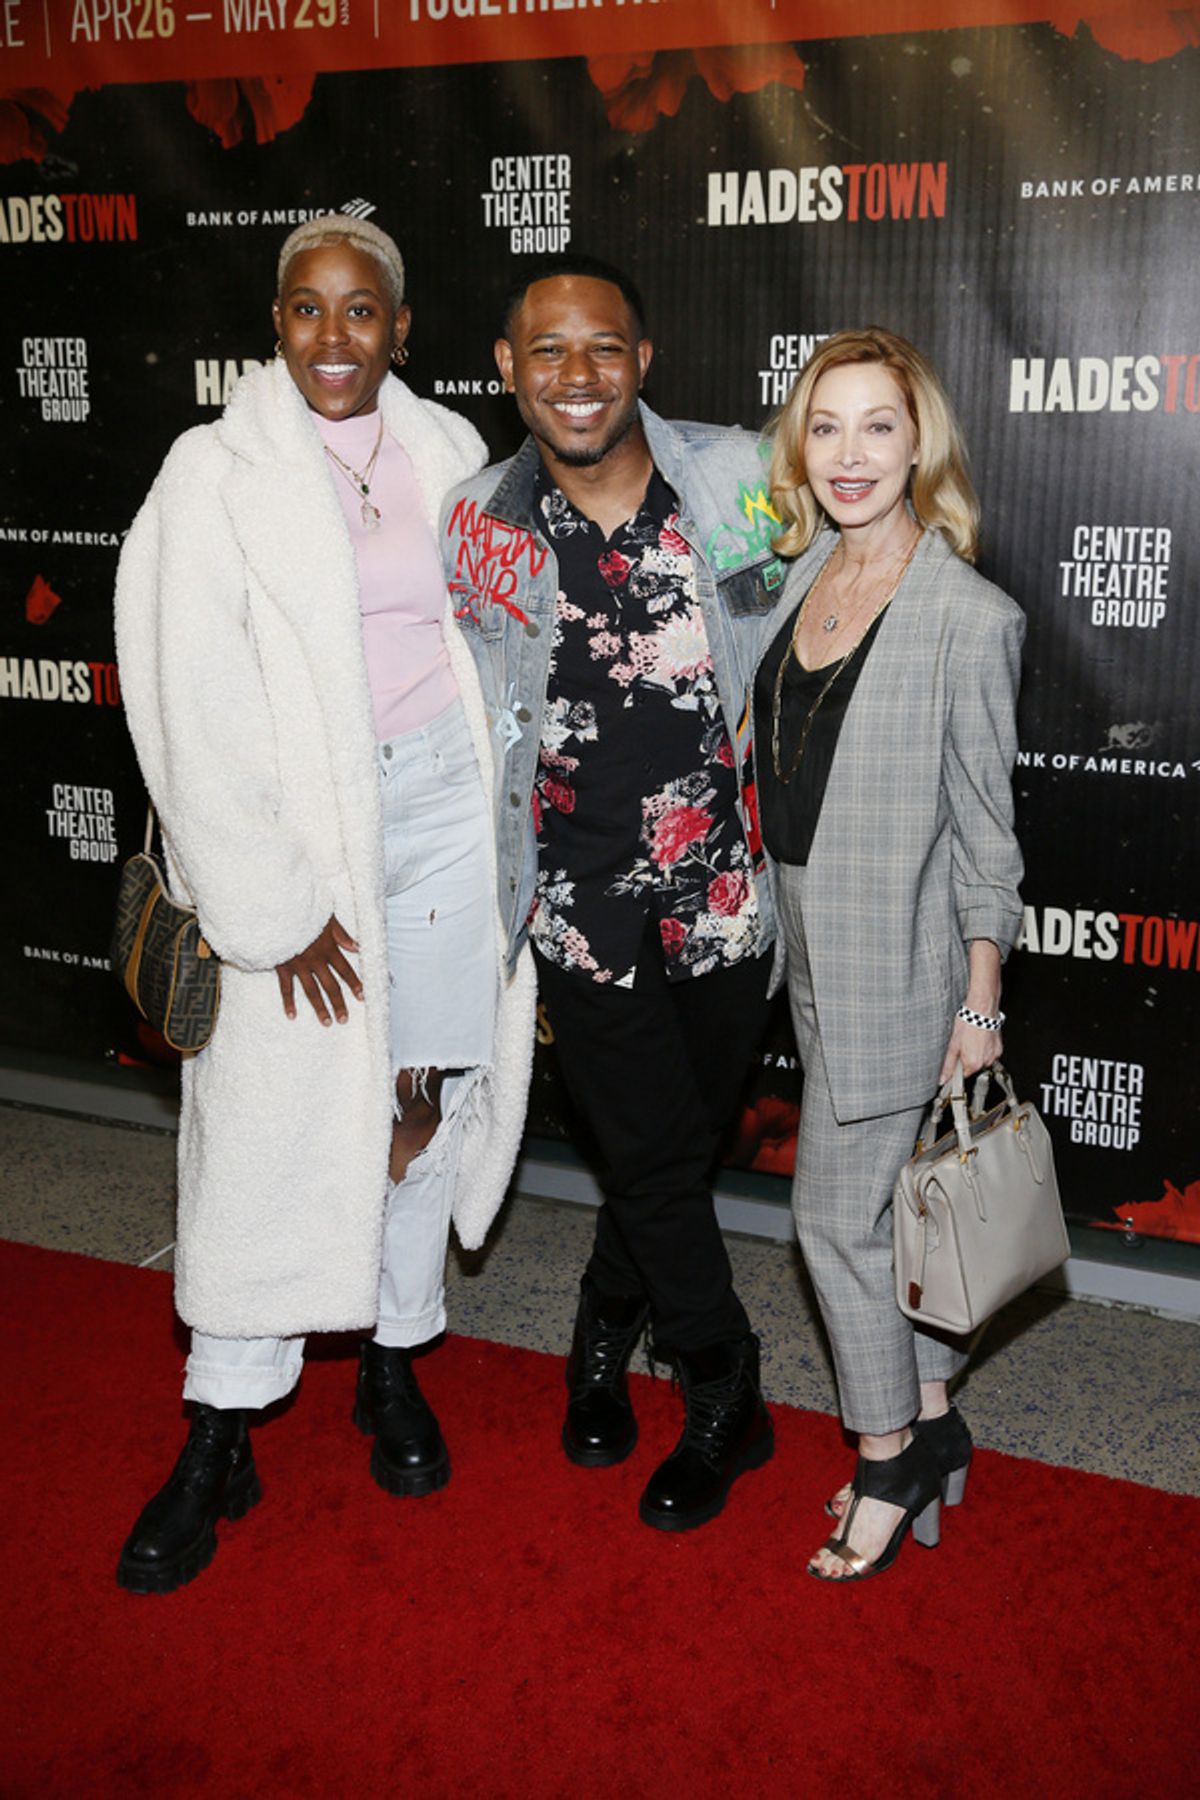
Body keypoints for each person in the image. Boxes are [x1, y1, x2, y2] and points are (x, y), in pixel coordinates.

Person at [113, 216, 535, 1594]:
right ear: (275, 321)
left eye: (363, 313)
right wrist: (270, 906)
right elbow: (188, 709)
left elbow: (501, 650)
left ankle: (395, 1360)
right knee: (269, 1129)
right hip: (297, 863)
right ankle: (219, 1425)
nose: (335, 337)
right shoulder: (211, 475)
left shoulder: (455, 457)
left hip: (444, 831)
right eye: (308, 310)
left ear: (401, 330)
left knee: (425, 1098)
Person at [441, 255, 778, 1533]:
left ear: (643, 361)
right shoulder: (477, 522)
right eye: (546, 351)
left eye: (602, 349)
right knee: (644, 1150)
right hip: (579, 907)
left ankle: (600, 1318)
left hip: (725, 898)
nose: (575, 376)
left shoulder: (740, 481)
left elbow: (817, 634)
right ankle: (723, 1379)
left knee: (670, 1156)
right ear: (505, 369)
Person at [754, 327, 1024, 1581]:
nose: (852, 453)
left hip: (907, 970)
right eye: (827, 426)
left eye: (879, 425)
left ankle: (885, 1457)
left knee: (835, 1221)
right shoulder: (795, 575)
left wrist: (981, 1005)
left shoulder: (968, 620)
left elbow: (987, 836)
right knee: (891, 1218)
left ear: (922, 444)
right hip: (808, 956)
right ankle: (937, 1416)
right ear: (799, 449)